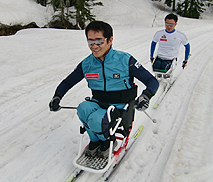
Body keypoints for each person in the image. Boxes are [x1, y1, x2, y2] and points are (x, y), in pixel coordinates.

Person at [49, 20, 159, 158]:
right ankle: (96, 141)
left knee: (96, 119)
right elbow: (67, 82)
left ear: (110, 40)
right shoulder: (87, 63)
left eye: (99, 41)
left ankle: (109, 141)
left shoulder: (125, 60)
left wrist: (146, 96)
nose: (94, 46)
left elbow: (152, 80)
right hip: (99, 103)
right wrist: (57, 96)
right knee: (83, 109)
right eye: (90, 42)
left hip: (121, 106)